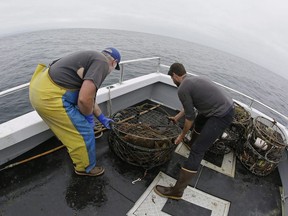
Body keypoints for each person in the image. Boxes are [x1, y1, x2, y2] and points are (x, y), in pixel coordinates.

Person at [29, 48, 121, 177]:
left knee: (80, 119)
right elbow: (84, 99)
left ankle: (76, 142)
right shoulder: (102, 64)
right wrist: (88, 119)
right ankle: (85, 168)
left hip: (39, 87)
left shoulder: (92, 57)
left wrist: (101, 118)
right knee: (84, 132)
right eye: (115, 67)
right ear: (114, 62)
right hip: (49, 97)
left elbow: (89, 97)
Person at [154, 62, 234, 199]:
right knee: (200, 120)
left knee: (198, 150)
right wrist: (176, 117)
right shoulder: (193, 80)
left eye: (172, 79)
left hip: (221, 115)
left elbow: (189, 119)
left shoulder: (182, 88)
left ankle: (177, 191)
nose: (173, 82)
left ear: (174, 75)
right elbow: (189, 108)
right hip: (224, 107)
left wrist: (181, 135)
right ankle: (191, 143)